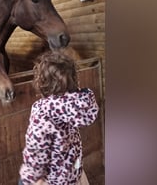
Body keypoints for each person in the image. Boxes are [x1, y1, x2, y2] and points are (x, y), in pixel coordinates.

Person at [19, 51, 99, 185]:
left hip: (53, 179)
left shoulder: (43, 111)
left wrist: (30, 178)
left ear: (42, 81)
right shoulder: (76, 104)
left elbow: (37, 148)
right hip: (74, 174)